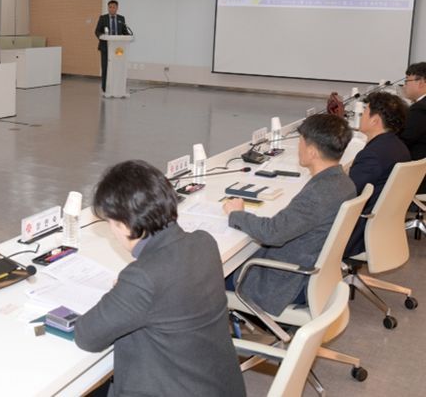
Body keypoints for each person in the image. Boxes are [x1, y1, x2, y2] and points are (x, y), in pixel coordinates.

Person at [74, 160, 246, 397]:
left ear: (124, 225)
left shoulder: (143, 277)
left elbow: (86, 336)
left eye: (110, 224)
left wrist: (125, 290)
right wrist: (129, 291)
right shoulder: (204, 242)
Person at [223, 114, 356, 316]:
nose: (298, 149)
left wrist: (237, 214)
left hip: (286, 283)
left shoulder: (318, 194)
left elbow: (272, 233)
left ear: (312, 152)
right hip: (314, 273)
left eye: (300, 142)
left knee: (206, 275)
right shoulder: (344, 183)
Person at [344, 92, 410, 258]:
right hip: (380, 228)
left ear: (375, 120)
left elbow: (345, 194)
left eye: (365, 112)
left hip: (355, 235)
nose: (361, 116)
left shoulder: (372, 155)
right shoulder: (398, 147)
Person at [400, 62, 426, 194]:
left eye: (407, 81)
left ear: (420, 83)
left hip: (419, 176)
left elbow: (403, 140)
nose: (404, 86)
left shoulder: (420, 109)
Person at [94, 0, 130, 93]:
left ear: (117, 8)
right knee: (105, 68)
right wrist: (102, 36)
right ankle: (105, 88)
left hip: (118, 49)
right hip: (105, 47)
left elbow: (125, 32)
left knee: (117, 68)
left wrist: (128, 36)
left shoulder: (121, 19)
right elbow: (97, 31)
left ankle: (117, 87)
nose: (112, 9)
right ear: (108, 8)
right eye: (110, 7)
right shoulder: (103, 18)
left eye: (114, 7)